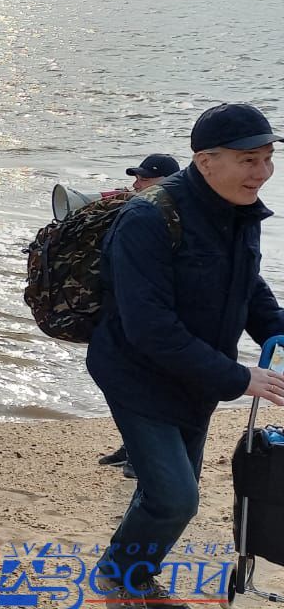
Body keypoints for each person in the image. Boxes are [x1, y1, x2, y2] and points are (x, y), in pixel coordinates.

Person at [88, 103, 284, 607]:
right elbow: (149, 328)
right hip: (137, 373)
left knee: (167, 491)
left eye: (267, 158)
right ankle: (119, 576)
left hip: (196, 376)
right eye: (248, 160)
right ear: (205, 161)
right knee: (177, 496)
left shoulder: (240, 209)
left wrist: (280, 333)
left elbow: (248, 286)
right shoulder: (146, 218)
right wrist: (241, 378)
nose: (261, 173)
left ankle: (130, 571)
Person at [99, 152, 183, 478]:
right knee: (120, 386)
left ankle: (141, 456)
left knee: (147, 389)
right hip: (124, 316)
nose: (137, 183)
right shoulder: (139, 210)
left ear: (165, 181)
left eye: (144, 178)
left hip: (154, 321)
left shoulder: (173, 216)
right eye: (137, 178)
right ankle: (130, 446)